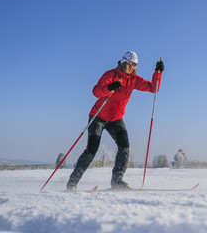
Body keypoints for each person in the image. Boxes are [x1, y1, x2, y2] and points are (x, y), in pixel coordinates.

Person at [66, 51, 164, 190]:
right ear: (124, 62)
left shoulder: (134, 79)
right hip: (98, 117)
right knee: (91, 149)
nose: (132, 67)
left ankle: (117, 180)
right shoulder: (110, 75)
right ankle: (72, 183)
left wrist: (158, 72)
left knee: (125, 147)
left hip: (116, 119)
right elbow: (96, 91)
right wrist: (109, 88)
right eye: (130, 64)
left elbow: (153, 88)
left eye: (135, 65)